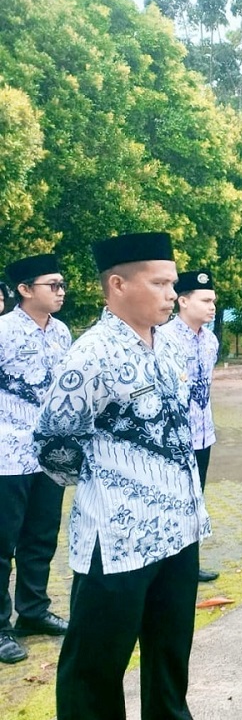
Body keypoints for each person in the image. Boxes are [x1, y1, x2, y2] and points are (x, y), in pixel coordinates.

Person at [34, 232, 211, 716]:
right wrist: (110, 483)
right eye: (159, 283)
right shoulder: (89, 357)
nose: (172, 294)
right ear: (117, 285)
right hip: (117, 537)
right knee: (96, 667)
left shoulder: (169, 346)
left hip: (178, 530)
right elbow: (52, 443)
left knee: (170, 656)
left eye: (173, 283)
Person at [0, 254, 72, 665]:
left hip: (48, 455)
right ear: (25, 290)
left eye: (62, 285)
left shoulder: (61, 333)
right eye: (53, 285)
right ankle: (0, 627)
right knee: (1, 544)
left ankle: (33, 611)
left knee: (41, 537)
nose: (61, 292)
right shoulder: (3, 331)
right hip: (6, 455)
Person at [159, 269, 221, 583]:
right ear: (183, 301)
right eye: (206, 300)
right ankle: (169, 567)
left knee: (196, 500)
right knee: (172, 500)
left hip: (203, 435)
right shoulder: (163, 338)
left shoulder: (210, 340)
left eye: (214, 300)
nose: (212, 306)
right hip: (173, 439)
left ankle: (189, 565)